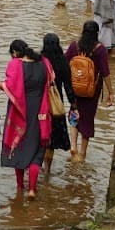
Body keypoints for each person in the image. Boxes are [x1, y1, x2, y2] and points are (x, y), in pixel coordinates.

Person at [0, 38, 52, 199]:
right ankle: (33, 189)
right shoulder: (44, 63)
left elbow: (10, 87)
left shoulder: (15, 64)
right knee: (37, 152)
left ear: (14, 53)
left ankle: (20, 187)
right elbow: (51, 80)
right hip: (40, 112)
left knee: (20, 149)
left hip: (21, 113)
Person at [64, 20, 113, 162]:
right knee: (87, 119)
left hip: (74, 88)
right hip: (91, 91)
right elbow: (105, 73)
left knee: (75, 113)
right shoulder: (100, 49)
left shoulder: (75, 46)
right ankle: (82, 153)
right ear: (97, 33)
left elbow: (65, 62)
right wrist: (111, 92)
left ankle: (73, 145)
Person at [40, 33, 73, 167]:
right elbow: (68, 86)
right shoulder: (63, 61)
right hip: (55, 104)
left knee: (38, 135)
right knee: (51, 140)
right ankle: (47, 170)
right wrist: (73, 104)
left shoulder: (39, 61)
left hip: (39, 103)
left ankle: (35, 168)